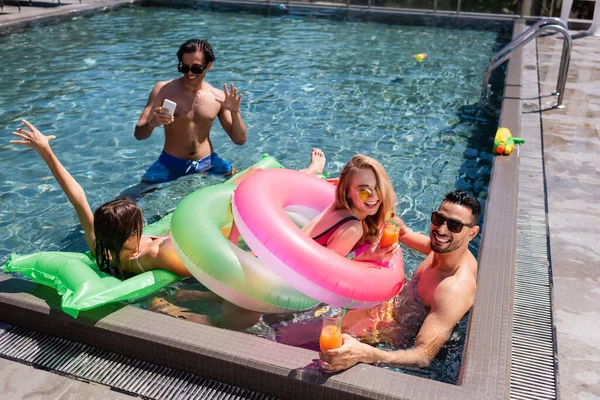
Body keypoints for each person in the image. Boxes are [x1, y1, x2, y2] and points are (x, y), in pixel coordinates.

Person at [317, 190, 481, 371]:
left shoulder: (453, 289)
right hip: (386, 307)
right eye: (438, 218)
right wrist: (396, 226)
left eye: (454, 226)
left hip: (392, 332)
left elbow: (423, 356)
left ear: (472, 233)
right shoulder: (443, 247)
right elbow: (407, 234)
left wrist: (368, 354)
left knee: (312, 337)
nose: (442, 229)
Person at [10, 120, 192, 280]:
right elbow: (199, 272)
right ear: (127, 236)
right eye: (139, 223)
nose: (143, 224)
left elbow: (78, 198)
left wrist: (45, 150)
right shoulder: (151, 255)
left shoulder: (101, 248)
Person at [134, 39, 247, 183]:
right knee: (135, 195)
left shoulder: (218, 97)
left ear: (209, 66)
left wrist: (235, 112)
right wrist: (152, 123)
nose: (189, 73)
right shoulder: (163, 90)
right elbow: (139, 134)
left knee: (242, 183)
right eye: (184, 67)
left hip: (208, 163)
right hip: (170, 163)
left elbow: (240, 140)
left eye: (196, 68)